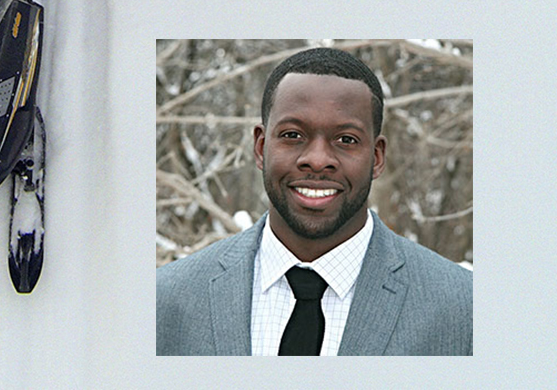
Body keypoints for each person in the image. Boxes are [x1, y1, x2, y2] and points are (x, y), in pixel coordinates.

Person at [155, 47, 472, 355]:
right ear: (261, 147)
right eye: (293, 135)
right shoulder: (166, 299)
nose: (318, 160)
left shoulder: (464, 309)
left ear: (376, 158)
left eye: (346, 140)